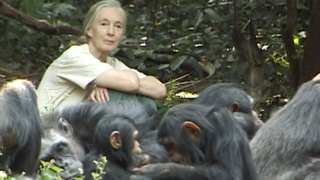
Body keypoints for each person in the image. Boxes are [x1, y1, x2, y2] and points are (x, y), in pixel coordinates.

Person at [37, 0, 167, 112]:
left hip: (77, 131)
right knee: (120, 93)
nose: (111, 32)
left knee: (145, 98)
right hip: (49, 132)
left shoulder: (112, 63)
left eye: (118, 26)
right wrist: (114, 84)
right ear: (89, 30)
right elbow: (131, 83)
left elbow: (160, 90)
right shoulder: (75, 55)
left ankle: (142, 137)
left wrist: (107, 84)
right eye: (104, 24)